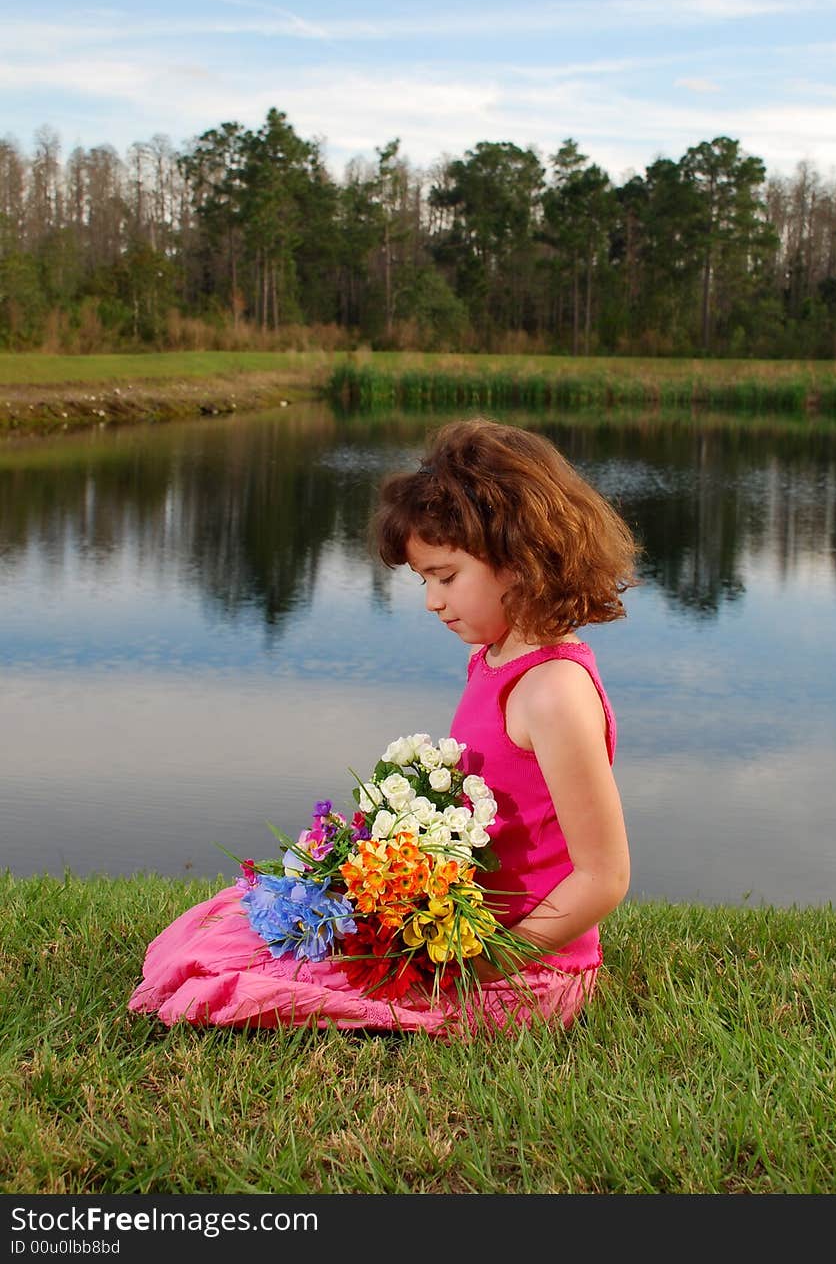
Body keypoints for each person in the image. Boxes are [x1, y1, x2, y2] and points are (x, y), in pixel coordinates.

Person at [128, 416, 637, 1036]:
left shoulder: (555, 692)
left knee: (252, 980)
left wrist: (481, 963)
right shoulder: (496, 656)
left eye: (446, 577)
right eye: (424, 580)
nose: (431, 600)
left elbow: (603, 876)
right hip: (456, 923)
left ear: (520, 559)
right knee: (244, 927)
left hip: (523, 967)